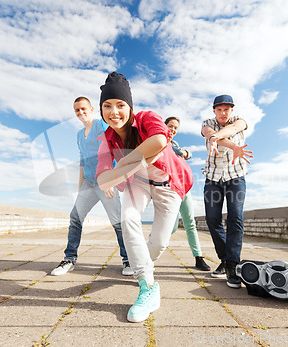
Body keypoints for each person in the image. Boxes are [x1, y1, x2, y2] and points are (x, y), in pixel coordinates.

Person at [96, 72, 193, 323]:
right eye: (107, 106)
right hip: (137, 184)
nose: (113, 112)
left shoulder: (147, 118)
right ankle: (148, 288)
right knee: (128, 219)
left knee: (159, 242)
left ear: (130, 107)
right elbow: (102, 176)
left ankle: (142, 266)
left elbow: (159, 140)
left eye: (120, 105)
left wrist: (123, 167)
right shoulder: (106, 138)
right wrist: (113, 177)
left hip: (167, 184)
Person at [51, 96, 133, 276]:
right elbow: (82, 163)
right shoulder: (79, 135)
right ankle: (69, 259)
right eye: (77, 110)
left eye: (83, 109)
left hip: (105, 182)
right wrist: (80, 188)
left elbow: (110, 151)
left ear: (91, 109)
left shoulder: (100, 126)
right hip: (88, 183)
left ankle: (128, 261)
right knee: (75, 218)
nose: (80, 113)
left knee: (118, 223)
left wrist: (110, 181)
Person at [201, 95, 253, 288]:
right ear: (214, 110)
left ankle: (232, 265)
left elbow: (233, 129)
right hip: (213, 178)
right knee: (212, 219)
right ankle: (225, 258)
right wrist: (227, 143)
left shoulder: (240, 121)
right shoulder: (207, 123)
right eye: (219, 110)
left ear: (231, 110)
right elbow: (209, 133)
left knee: (235, 217)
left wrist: (218, 137)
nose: (223, 113)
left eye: (226, 109)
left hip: (236, 178)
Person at [164, 116, 210, 271]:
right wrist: (182, 152)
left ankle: (199, 257)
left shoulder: (175, 143)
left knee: (190, 223)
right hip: (168, 189)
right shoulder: (160, 141)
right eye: (170, 126)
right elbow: (172, 153)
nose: (173, 129)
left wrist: (186, 152)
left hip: (184, 187)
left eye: (176, 127)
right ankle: (149, 248)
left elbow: (187, 154)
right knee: (171, 228)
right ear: (164, 126)